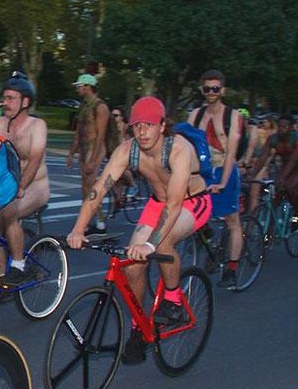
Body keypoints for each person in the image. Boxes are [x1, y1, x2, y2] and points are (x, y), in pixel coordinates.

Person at [66, 97, 212, 365]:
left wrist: (150, 244)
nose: (143, 131)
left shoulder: (179, 149)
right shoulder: (127, 150)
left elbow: (175, 203)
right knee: (132, 266)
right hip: (158, 204)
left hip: (193, 202)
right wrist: (78, 229)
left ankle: (173, 300)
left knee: (162, 242)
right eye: (137, 126)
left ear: (162, 126)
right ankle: (139, 328)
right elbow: (99, 189)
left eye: (149, 125)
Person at [0, 73, 50, 287]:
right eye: (5, 98)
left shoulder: (36, 126)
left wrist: (20, 187)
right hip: (5, 186)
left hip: (35, 186)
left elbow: (35, 160)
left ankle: (19, 265)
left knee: (9, 210)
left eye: (11, 98)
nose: (6, 103)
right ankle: (4, 278)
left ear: (25, 102)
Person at [187, 69, 244, 289]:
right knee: (190, 214)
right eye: (207, 88)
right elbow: (186, 145)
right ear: (202, 90)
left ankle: (232, 268)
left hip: (224, 170)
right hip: (202, 171)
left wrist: (223, 181)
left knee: (232, 221)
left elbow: (231, 152)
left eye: (216, 88)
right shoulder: (196, 115)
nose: (211, 92)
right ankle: (207, 236)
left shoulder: (233, 116)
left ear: (223, 90)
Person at [66, 73, 110, 235]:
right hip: (85, 148)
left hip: (94, 148)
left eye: (80, 86)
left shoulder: (101, 107)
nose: (78, 89)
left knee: (90, 186)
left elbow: (100, 135)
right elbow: (79, 131)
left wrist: (93, 159)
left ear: (87, 87)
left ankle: (96, 223)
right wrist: (71, 153)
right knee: (86, 187)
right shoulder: (84, 106)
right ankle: (96, 222)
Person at [250, 114, 298, 215]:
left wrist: (282, 178)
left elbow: (294, 161)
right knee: (278, 190)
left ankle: (297, 214)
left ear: (291, 128)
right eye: (279, 126)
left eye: (285, 127)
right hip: (286, 163)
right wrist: (253, 176)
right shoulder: (272, 139)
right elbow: (262, 158)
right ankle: (273, 220)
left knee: (289, 187)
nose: (281, 129)